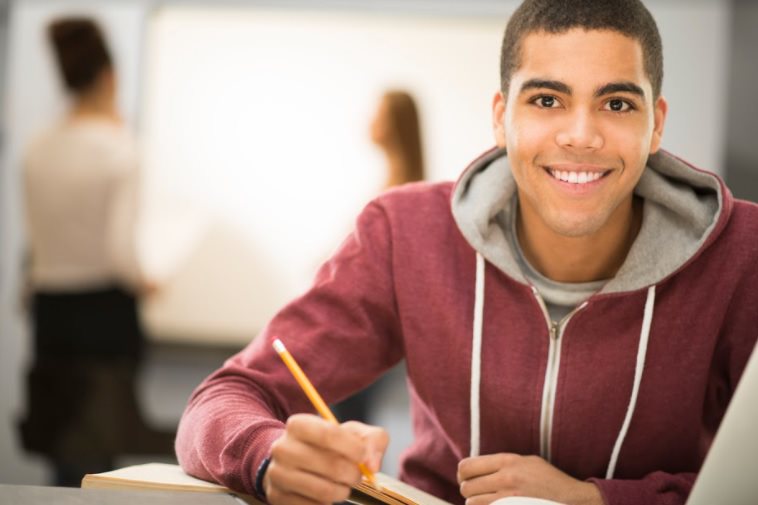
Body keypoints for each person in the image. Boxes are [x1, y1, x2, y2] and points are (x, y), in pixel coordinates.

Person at [175, 1, 758, 504]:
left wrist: (594, 499)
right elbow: (221, 400)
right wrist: (269, 454)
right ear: (502, 117)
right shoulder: (404, 233)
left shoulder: (742, 255)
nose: (581, 134)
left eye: (616, 105)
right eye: (548, 100)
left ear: (655, 125)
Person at [19, 17, 173, 486]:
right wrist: (147, 281)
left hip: (51, 315)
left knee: (62, 452)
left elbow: (37, 242)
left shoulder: (37, 148)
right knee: (98, 461)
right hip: (104, 317)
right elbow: (120, 254)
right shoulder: (119, 149)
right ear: (109, 77)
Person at [333, 90, 425, 424]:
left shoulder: (402, 192)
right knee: (351, 418)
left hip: (371, 327)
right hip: (361, 324)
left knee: (352, 420)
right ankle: (358, 479)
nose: (370, 122)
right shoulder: (390, 181)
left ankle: (359, 480)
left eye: (379, 113)